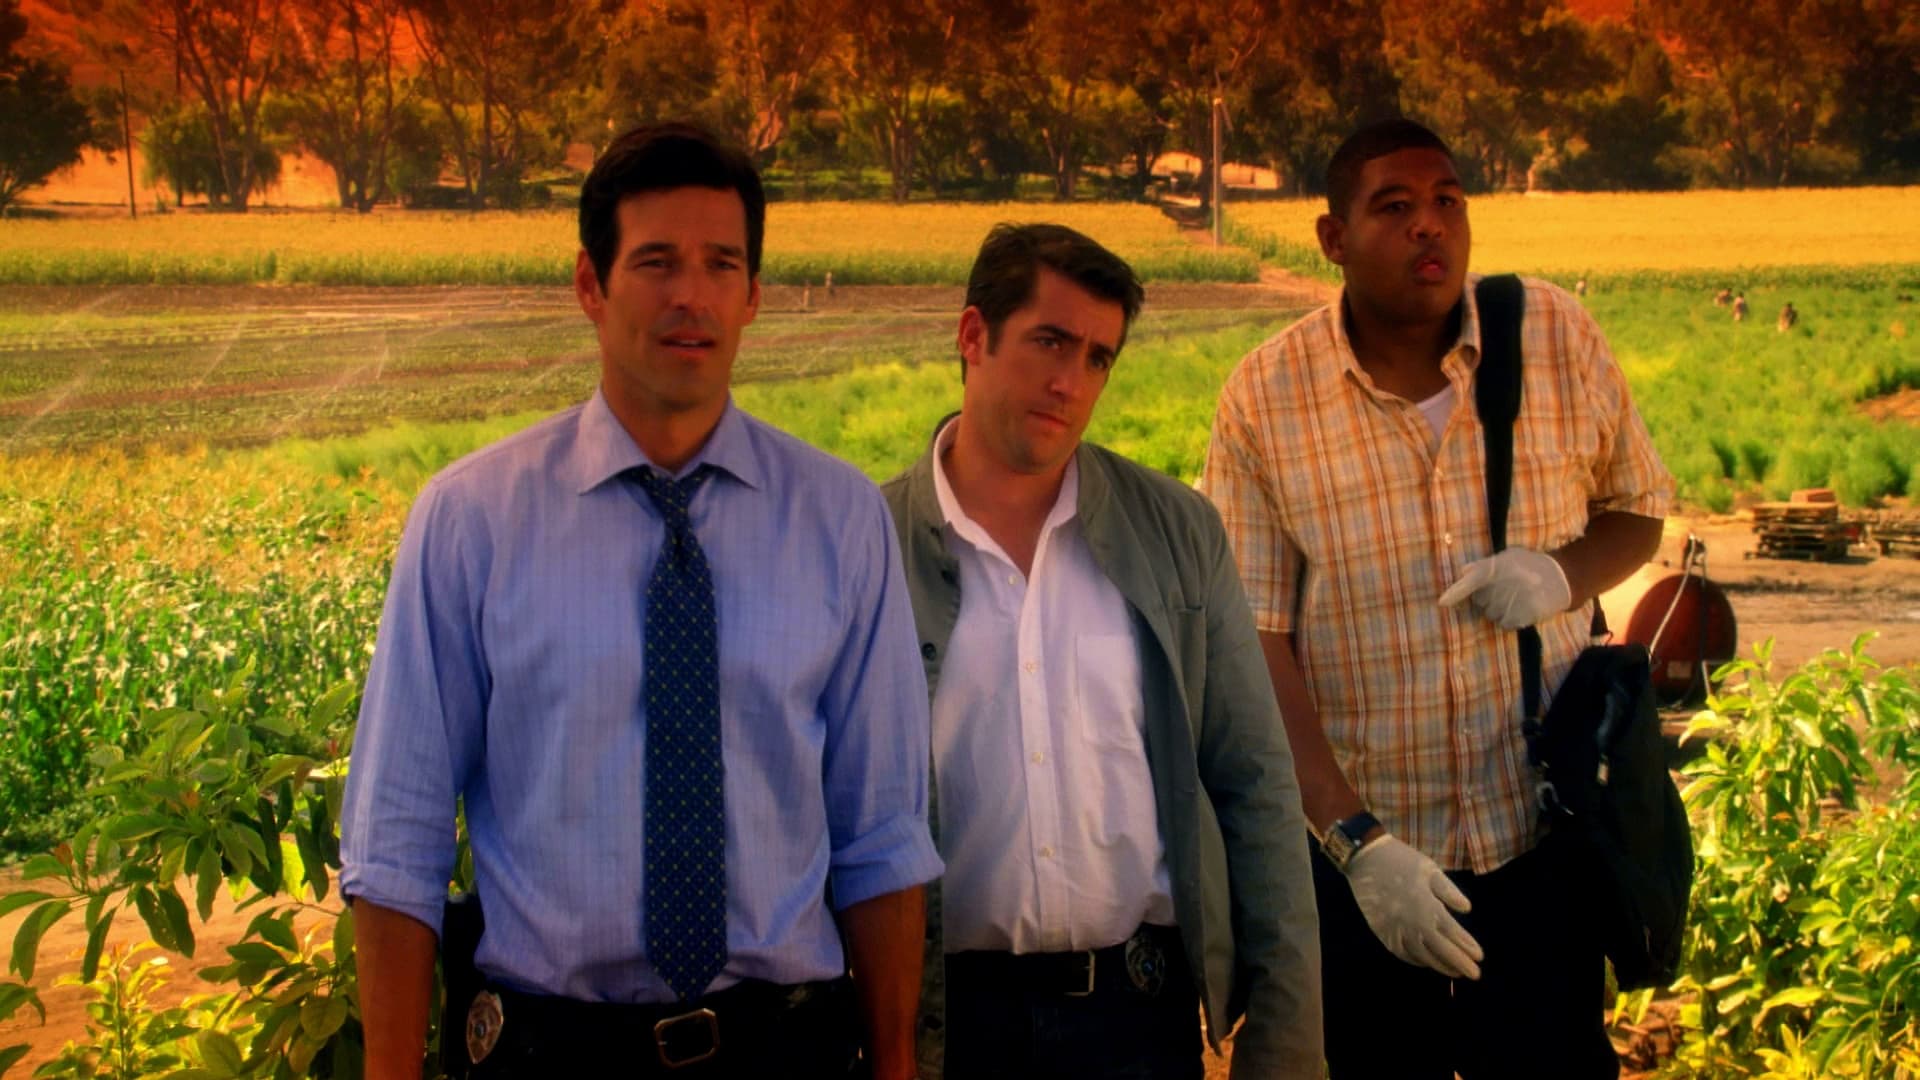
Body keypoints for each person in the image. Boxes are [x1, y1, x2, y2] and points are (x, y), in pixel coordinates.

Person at [341, 122, 942, 1080]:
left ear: (753, 295)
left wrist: (895, 1066)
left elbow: (882, 832)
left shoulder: (840, 519)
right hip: (552, 1050)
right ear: (591, 284)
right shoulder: (472, 520)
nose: (690, 296)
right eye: (656, 262)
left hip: (784, 1048)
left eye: (721, 265)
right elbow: (396, 841)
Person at [1201, 118, 1671, 1079]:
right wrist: (1358, 846)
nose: (1431, 225)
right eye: (1395, 206)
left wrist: (1562, 574)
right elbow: (1257, 641)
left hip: (1541, 845)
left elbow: (1639, 510)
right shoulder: (1266, 397)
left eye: (1448, 201)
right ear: (1333, 239)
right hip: (1368, 873)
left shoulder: (1553, 335)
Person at [883, 223, 1323, 1079]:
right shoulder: (868, 544)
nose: (1070, 382)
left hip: (1139, 1019)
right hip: (947, 1028)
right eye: (1050, 342)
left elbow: (1255, 783)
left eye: (1097, 358)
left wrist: (1286, 1041)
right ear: (973, 335)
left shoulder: (1177, 533)